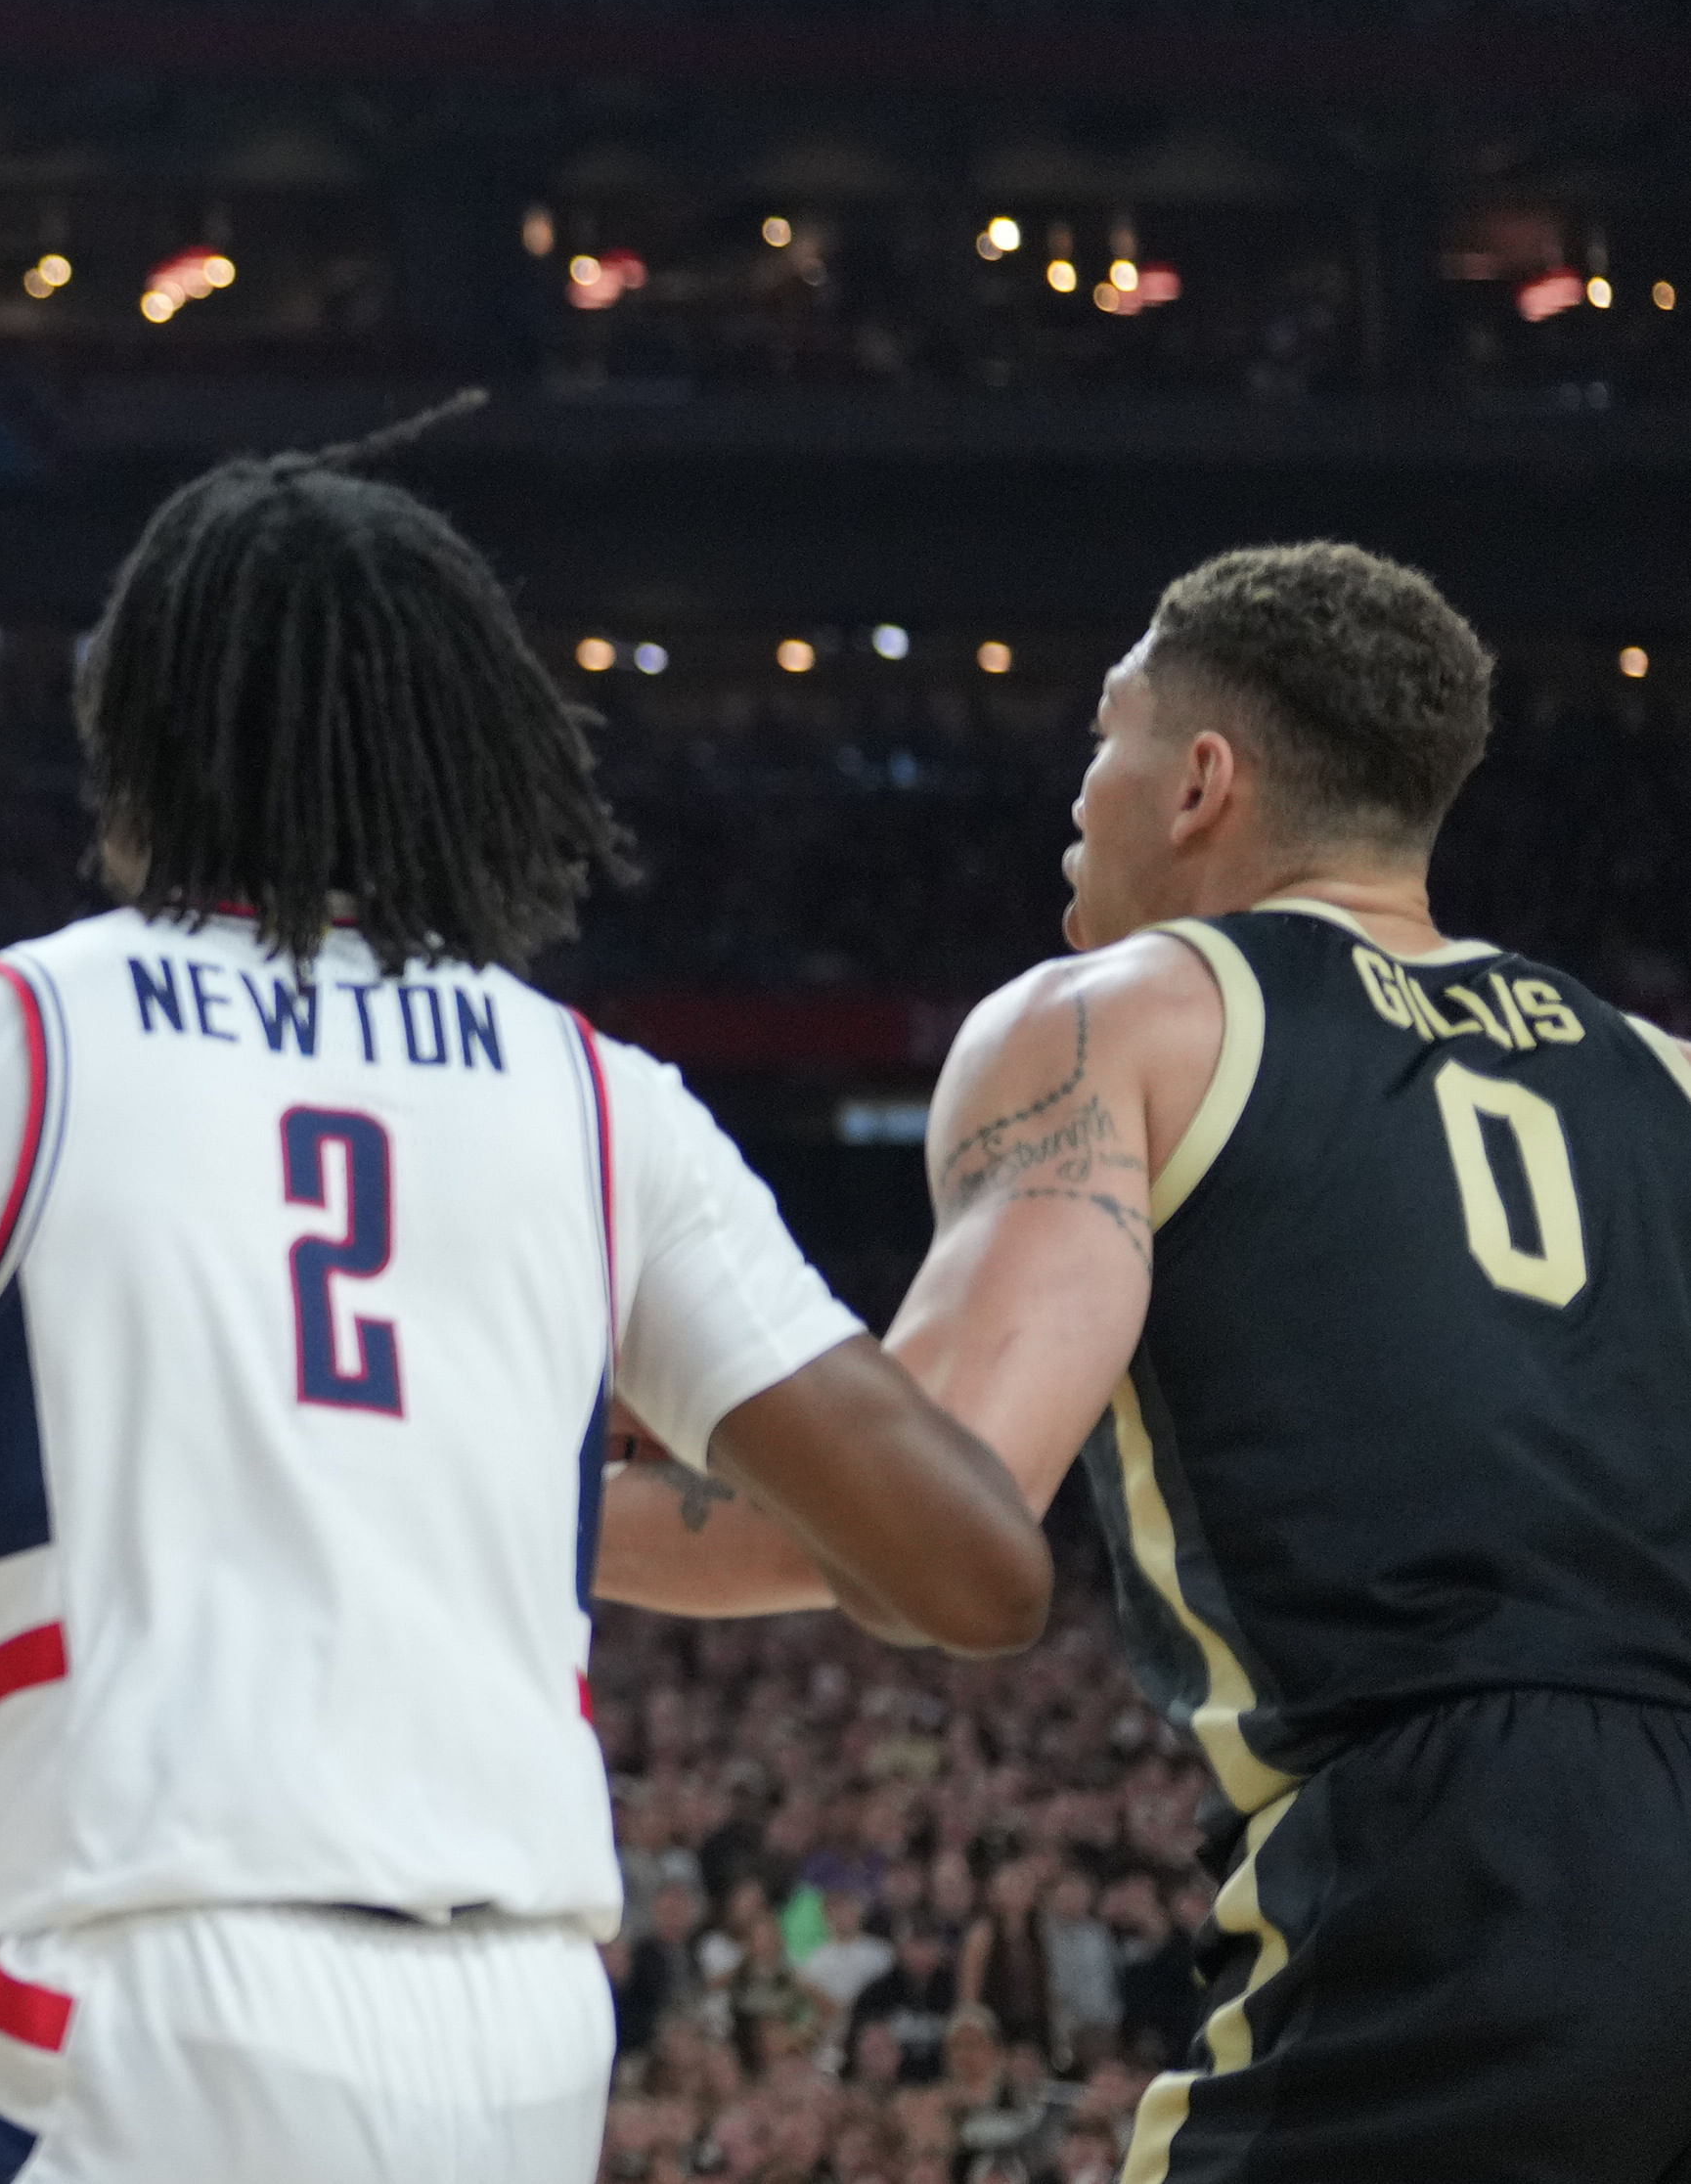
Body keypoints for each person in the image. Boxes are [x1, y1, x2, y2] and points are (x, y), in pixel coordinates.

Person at [0, 426, 1049, 2179]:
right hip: (516, 2043)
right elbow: (976, 1571)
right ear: (471, 743)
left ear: (134, 731)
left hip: (135, 1998)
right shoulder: (600, 1096)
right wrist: (479, 1473)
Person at [600, 540, 1691, 2178]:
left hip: (1455, 1862)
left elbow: (921, 1521)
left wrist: (480, 1493)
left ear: (1197, 780)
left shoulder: (1121, 1017)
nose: (1072, 790)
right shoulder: (1663, 1074)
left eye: (1099, 735)